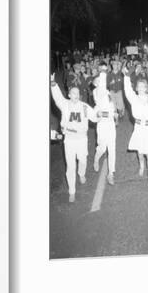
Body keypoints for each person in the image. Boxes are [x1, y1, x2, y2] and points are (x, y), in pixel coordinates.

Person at [50, 72, 98, 203]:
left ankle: (81, 174)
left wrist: (102, 112)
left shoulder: (84, 106)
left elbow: (95, 116)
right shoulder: (65, 104)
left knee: (82, 160)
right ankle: (72, 190)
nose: (76, 96)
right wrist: (53, 84)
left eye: (77, 94)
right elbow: (57, 97)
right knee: (70, 166)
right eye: (73, 93)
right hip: (69, 140)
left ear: (79, 96)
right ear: (69, 95)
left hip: (82, 139)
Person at [122, 65, 148, 184]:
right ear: (137, 88)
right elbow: (127, 89)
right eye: (139, 86)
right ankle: (142, 166)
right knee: (140, 151)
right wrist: (127, 76)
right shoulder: (133, 98)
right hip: (138, 127)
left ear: (146, 88)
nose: (141, 88)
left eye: (144, 86)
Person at [93, 68, 118, 185]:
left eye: (101, 80)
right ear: (95, 83)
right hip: (102, 123)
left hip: (110, 123)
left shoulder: (107, 92)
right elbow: (97, 112)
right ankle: (96, 158)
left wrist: (115, 112)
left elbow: (111, 105)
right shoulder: (97, 92)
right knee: (102, 148)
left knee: (112, 148)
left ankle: (111, 173)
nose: (101, 82)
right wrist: (103, 72)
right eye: (98, 80)